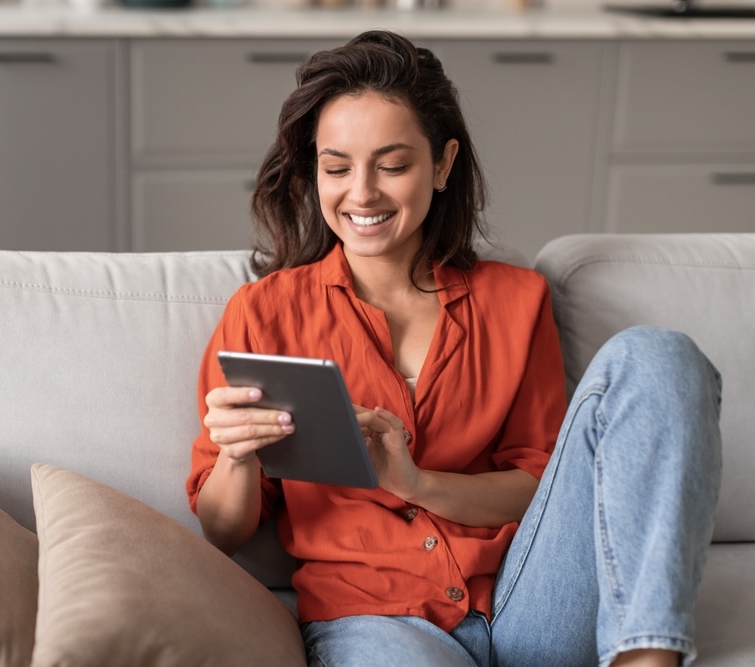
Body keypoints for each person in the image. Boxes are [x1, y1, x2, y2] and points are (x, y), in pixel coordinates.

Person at [186, 30, 722, 667]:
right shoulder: (265, 313)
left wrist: (415, 483)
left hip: (529, 600)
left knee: (657, 356)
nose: (362, 193)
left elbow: (543, 487)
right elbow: (225, 530)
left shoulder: (515, 302)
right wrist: (239, 456)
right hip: (374, 619)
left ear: (441, 165)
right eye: (336, 168)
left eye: (392, 165)